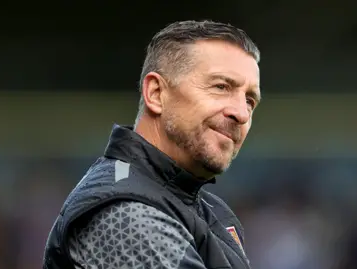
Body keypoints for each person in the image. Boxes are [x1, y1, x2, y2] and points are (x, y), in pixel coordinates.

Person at [43, 20, 261, 269]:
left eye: (250, 101)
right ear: (156, 94)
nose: (241, 114)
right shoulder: (125, 212)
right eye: (221, 87)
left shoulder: (201, 205)